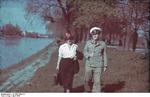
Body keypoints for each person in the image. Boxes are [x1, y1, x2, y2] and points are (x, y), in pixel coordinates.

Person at [83, 27, 108, 92]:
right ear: (92, 35)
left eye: (96, 34)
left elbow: (104, 54)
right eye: (94, 34)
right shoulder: (88, 43)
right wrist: (88, 55)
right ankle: (88, 90)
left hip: (99, 65)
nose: (95, 36)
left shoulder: (103, 44)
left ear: (99, 35)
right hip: (89, 64)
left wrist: (105, 65)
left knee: (97, 81)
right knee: (87, 79)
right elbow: (85, 51)